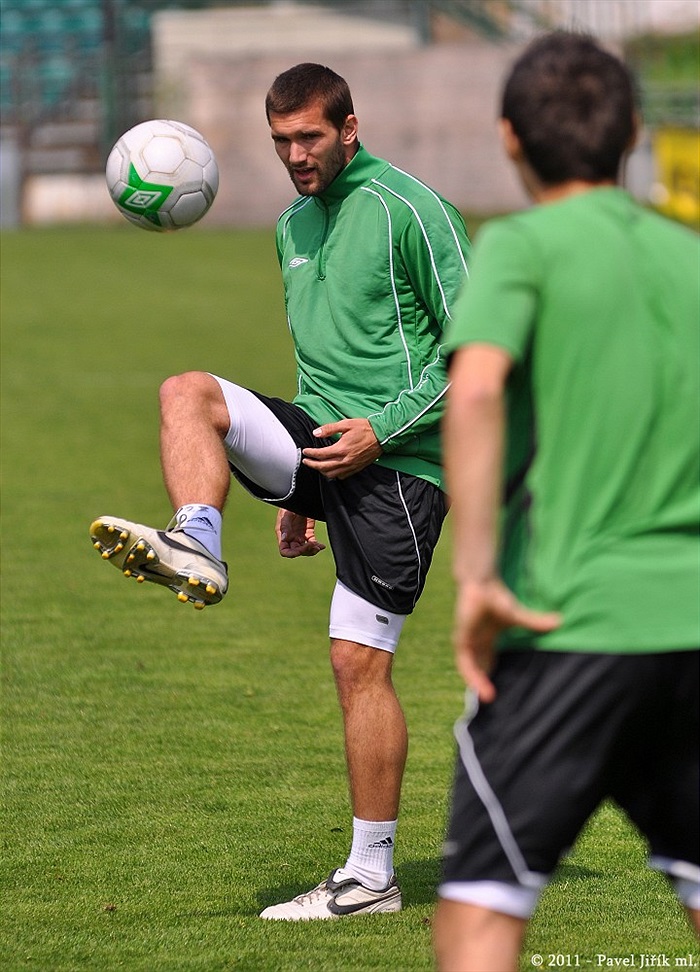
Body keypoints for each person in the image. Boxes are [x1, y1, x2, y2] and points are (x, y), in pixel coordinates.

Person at [90, 62, 470, 919]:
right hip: (321, 445)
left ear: (348, 128)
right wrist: (299, 495)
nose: (296, 155)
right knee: (186, 393)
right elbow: (318, 358)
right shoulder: (293, 223)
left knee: (356, 663)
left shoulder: (409, 208)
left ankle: (372, 878)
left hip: (403, 467)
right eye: (281, 142)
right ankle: (197, 539)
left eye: (309, 137)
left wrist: (383, 429)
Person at [432, 31, 700, 972]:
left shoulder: (523, 247)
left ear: (510, 139)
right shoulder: (690, 257)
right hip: (693, 624)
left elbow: (473, 389)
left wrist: (473, 577)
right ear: (633, 129)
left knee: (481, 906)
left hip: (569, 619)